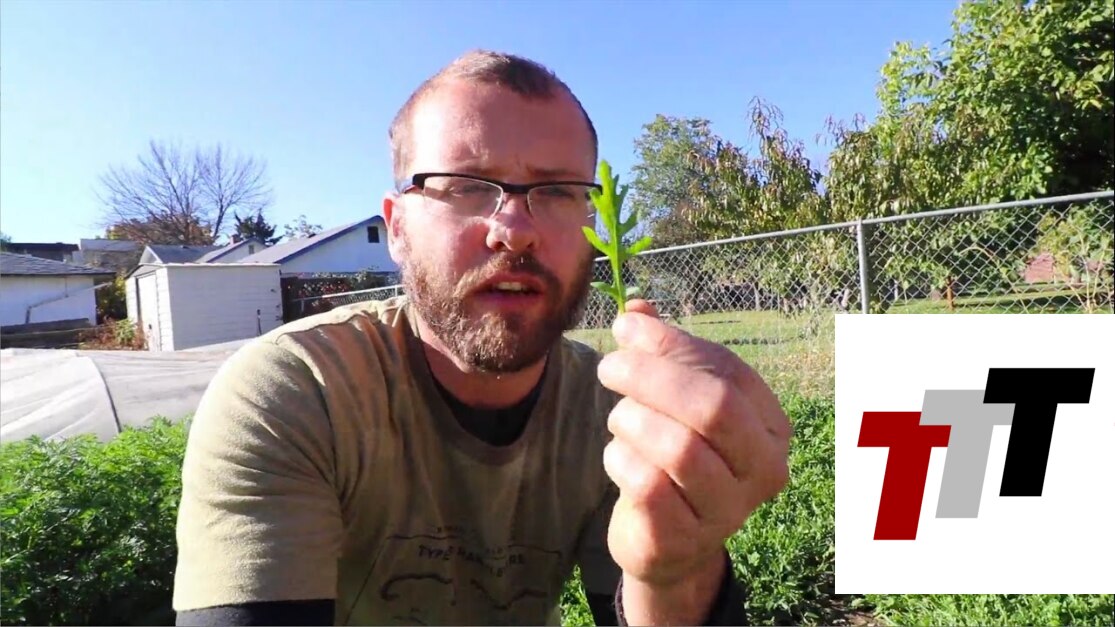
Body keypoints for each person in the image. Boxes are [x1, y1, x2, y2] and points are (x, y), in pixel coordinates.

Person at [172, 49, 792, 627]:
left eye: (557, 191)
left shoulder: (618, 416)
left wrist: (676, 570)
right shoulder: (297, 394)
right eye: (467, 185)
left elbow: (651, 594)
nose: (515, 231)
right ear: (397, 229)